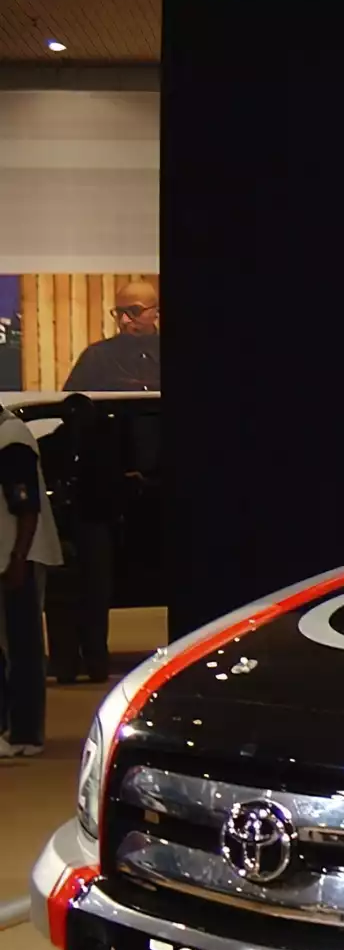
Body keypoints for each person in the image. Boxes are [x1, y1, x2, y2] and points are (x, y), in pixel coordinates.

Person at [0, 403, 65, 757]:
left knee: (21, 647)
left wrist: (18, 559)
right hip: (11, 555)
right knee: (12, 647)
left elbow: (26, 506)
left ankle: (25, 732)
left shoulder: (11, 438)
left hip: (17, 557)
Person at [42, 394, 115, 683]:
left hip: (71, 531)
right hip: (90, 531)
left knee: (65, 604)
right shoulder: (102, 447)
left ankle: (68, 666)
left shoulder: (53, 446)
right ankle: (92, 664)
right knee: (91, 602)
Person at [63, 280, 162, 392]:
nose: (124, 320)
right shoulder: (96, 356)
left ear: (156, 312)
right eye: (120, 312)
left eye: (135, 310)